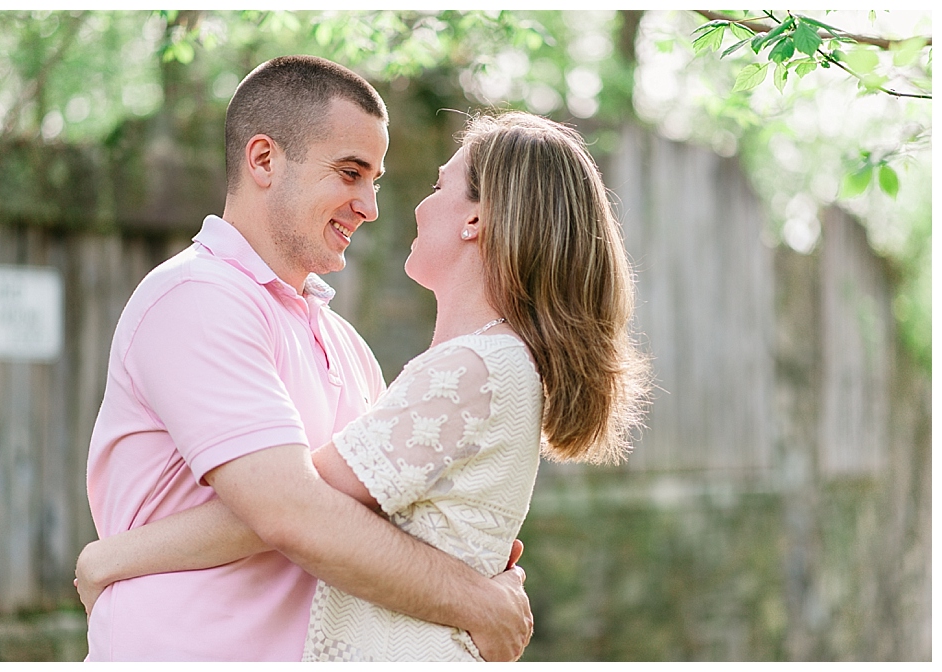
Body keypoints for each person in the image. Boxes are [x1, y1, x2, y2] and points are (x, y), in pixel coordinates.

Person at [77, 109, 652, 661]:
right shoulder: (199, 297)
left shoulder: (465, 368)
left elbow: (299, 508)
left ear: (478, 219)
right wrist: (477, 595)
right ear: (263, 159)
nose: (381, 208)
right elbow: (298, 510)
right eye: (351, 173)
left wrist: (110, 559)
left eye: (435, 185)